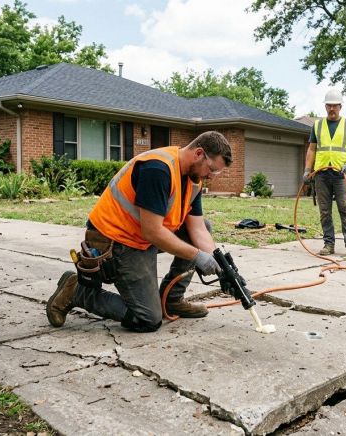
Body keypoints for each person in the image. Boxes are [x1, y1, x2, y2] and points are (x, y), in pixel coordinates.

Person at [46, 131, 232, 332]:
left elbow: (198, 229)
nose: (212, 176)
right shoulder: (158, 169)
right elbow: (153, 232)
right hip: (115, 240)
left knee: (206, 226)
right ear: (198, 154)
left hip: (141, 238)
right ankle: (77, 291)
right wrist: (197, 256)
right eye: (212, 169)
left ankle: (172, 299)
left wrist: (223, 267)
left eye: (217, 173)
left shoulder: (193, 178)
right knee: (147, 319)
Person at [303, 89, 346, 259]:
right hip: (321, 174)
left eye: (335, 105)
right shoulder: (318, 125)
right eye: (329, 105)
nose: (331, 108)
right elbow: (312, 149)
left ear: (340, 106)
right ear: (325, 106)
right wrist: (307, 170)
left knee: (345, 208)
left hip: (340, 174)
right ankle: (329, 244)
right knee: (325, 211)